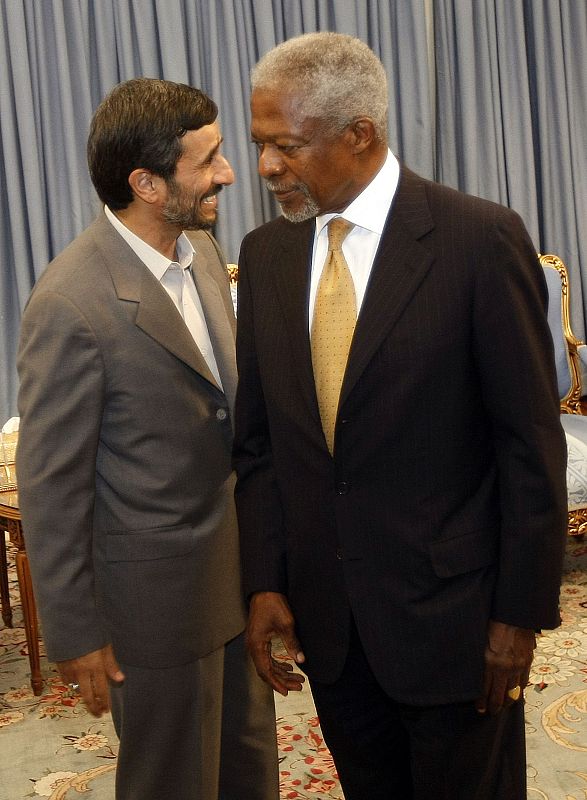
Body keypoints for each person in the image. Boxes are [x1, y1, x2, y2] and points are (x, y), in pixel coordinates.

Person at [232, 32, 568, 800]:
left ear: (360, 134)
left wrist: (519, 617)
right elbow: (258, 448)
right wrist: (265, 581)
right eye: (260, 145)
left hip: (456, 626)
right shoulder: (267, 257)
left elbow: (526, 446)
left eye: (286, 145)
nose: (266, 167)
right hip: (332, 629)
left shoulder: (476, 240)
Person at [16, 78, 278, 800]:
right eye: (209, 160)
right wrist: (75, 633)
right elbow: (52, 486)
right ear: (148, 184)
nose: (229, 172)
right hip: (152, 611)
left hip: (229, 585)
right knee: (173, 782)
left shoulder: (201, 255)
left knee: (248, 771)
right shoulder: (71, 302)